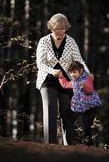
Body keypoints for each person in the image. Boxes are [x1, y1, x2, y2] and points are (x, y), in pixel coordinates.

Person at [36, 13, 92, 145]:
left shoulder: (71, 41)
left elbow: (79, 60)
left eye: (63, 28)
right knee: (50, 109)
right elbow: (40, 63)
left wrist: (88, 73)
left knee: (67, 113)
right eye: (57, 29)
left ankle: (70, 147)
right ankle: (50, 146)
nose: (60, 31)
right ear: (51, 28)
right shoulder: (44, 41)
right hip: (47, 80)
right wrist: (52, 71)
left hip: (66, 82)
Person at [58, 61, 102, 146]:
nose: (72, 75)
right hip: (80, 106)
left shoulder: (87, 78)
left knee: (86, 123)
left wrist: (84, 86)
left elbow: (90, 90)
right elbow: (65, 84)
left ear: (81, 71)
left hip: (90, 106)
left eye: (74, 72)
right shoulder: (74, 82)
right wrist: (61, 77)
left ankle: (88, 143)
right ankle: (75, 140)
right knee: (72, 119)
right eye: (70, 73)